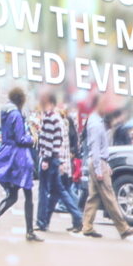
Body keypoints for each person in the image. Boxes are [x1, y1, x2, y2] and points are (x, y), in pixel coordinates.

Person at [0, 87, 41, 242]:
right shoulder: (16, 115)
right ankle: (30, 232)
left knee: (12, 195)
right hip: (20, 157)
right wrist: (32, 139)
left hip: (8, 153)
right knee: (28, 194)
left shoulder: (5, 112)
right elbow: (20, 138)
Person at [80, 94, 133, 240]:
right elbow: (95, 148)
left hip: (99, 162)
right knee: (109, 196)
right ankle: (123, 228)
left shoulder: (96, 121)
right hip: (98, 162)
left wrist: (105, 165)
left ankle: (87, 226)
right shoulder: (95, 124)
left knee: (94, 197)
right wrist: (100, 169)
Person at [35, 91, 83, 233]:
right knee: (59, 191)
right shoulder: (58, 119)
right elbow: (58, 141)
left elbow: (48, 141)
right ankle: (76, 216)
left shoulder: (50, 118)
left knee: (44, 191)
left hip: (49, 160)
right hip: (56, 159)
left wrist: (46, 158)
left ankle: (42, 221)